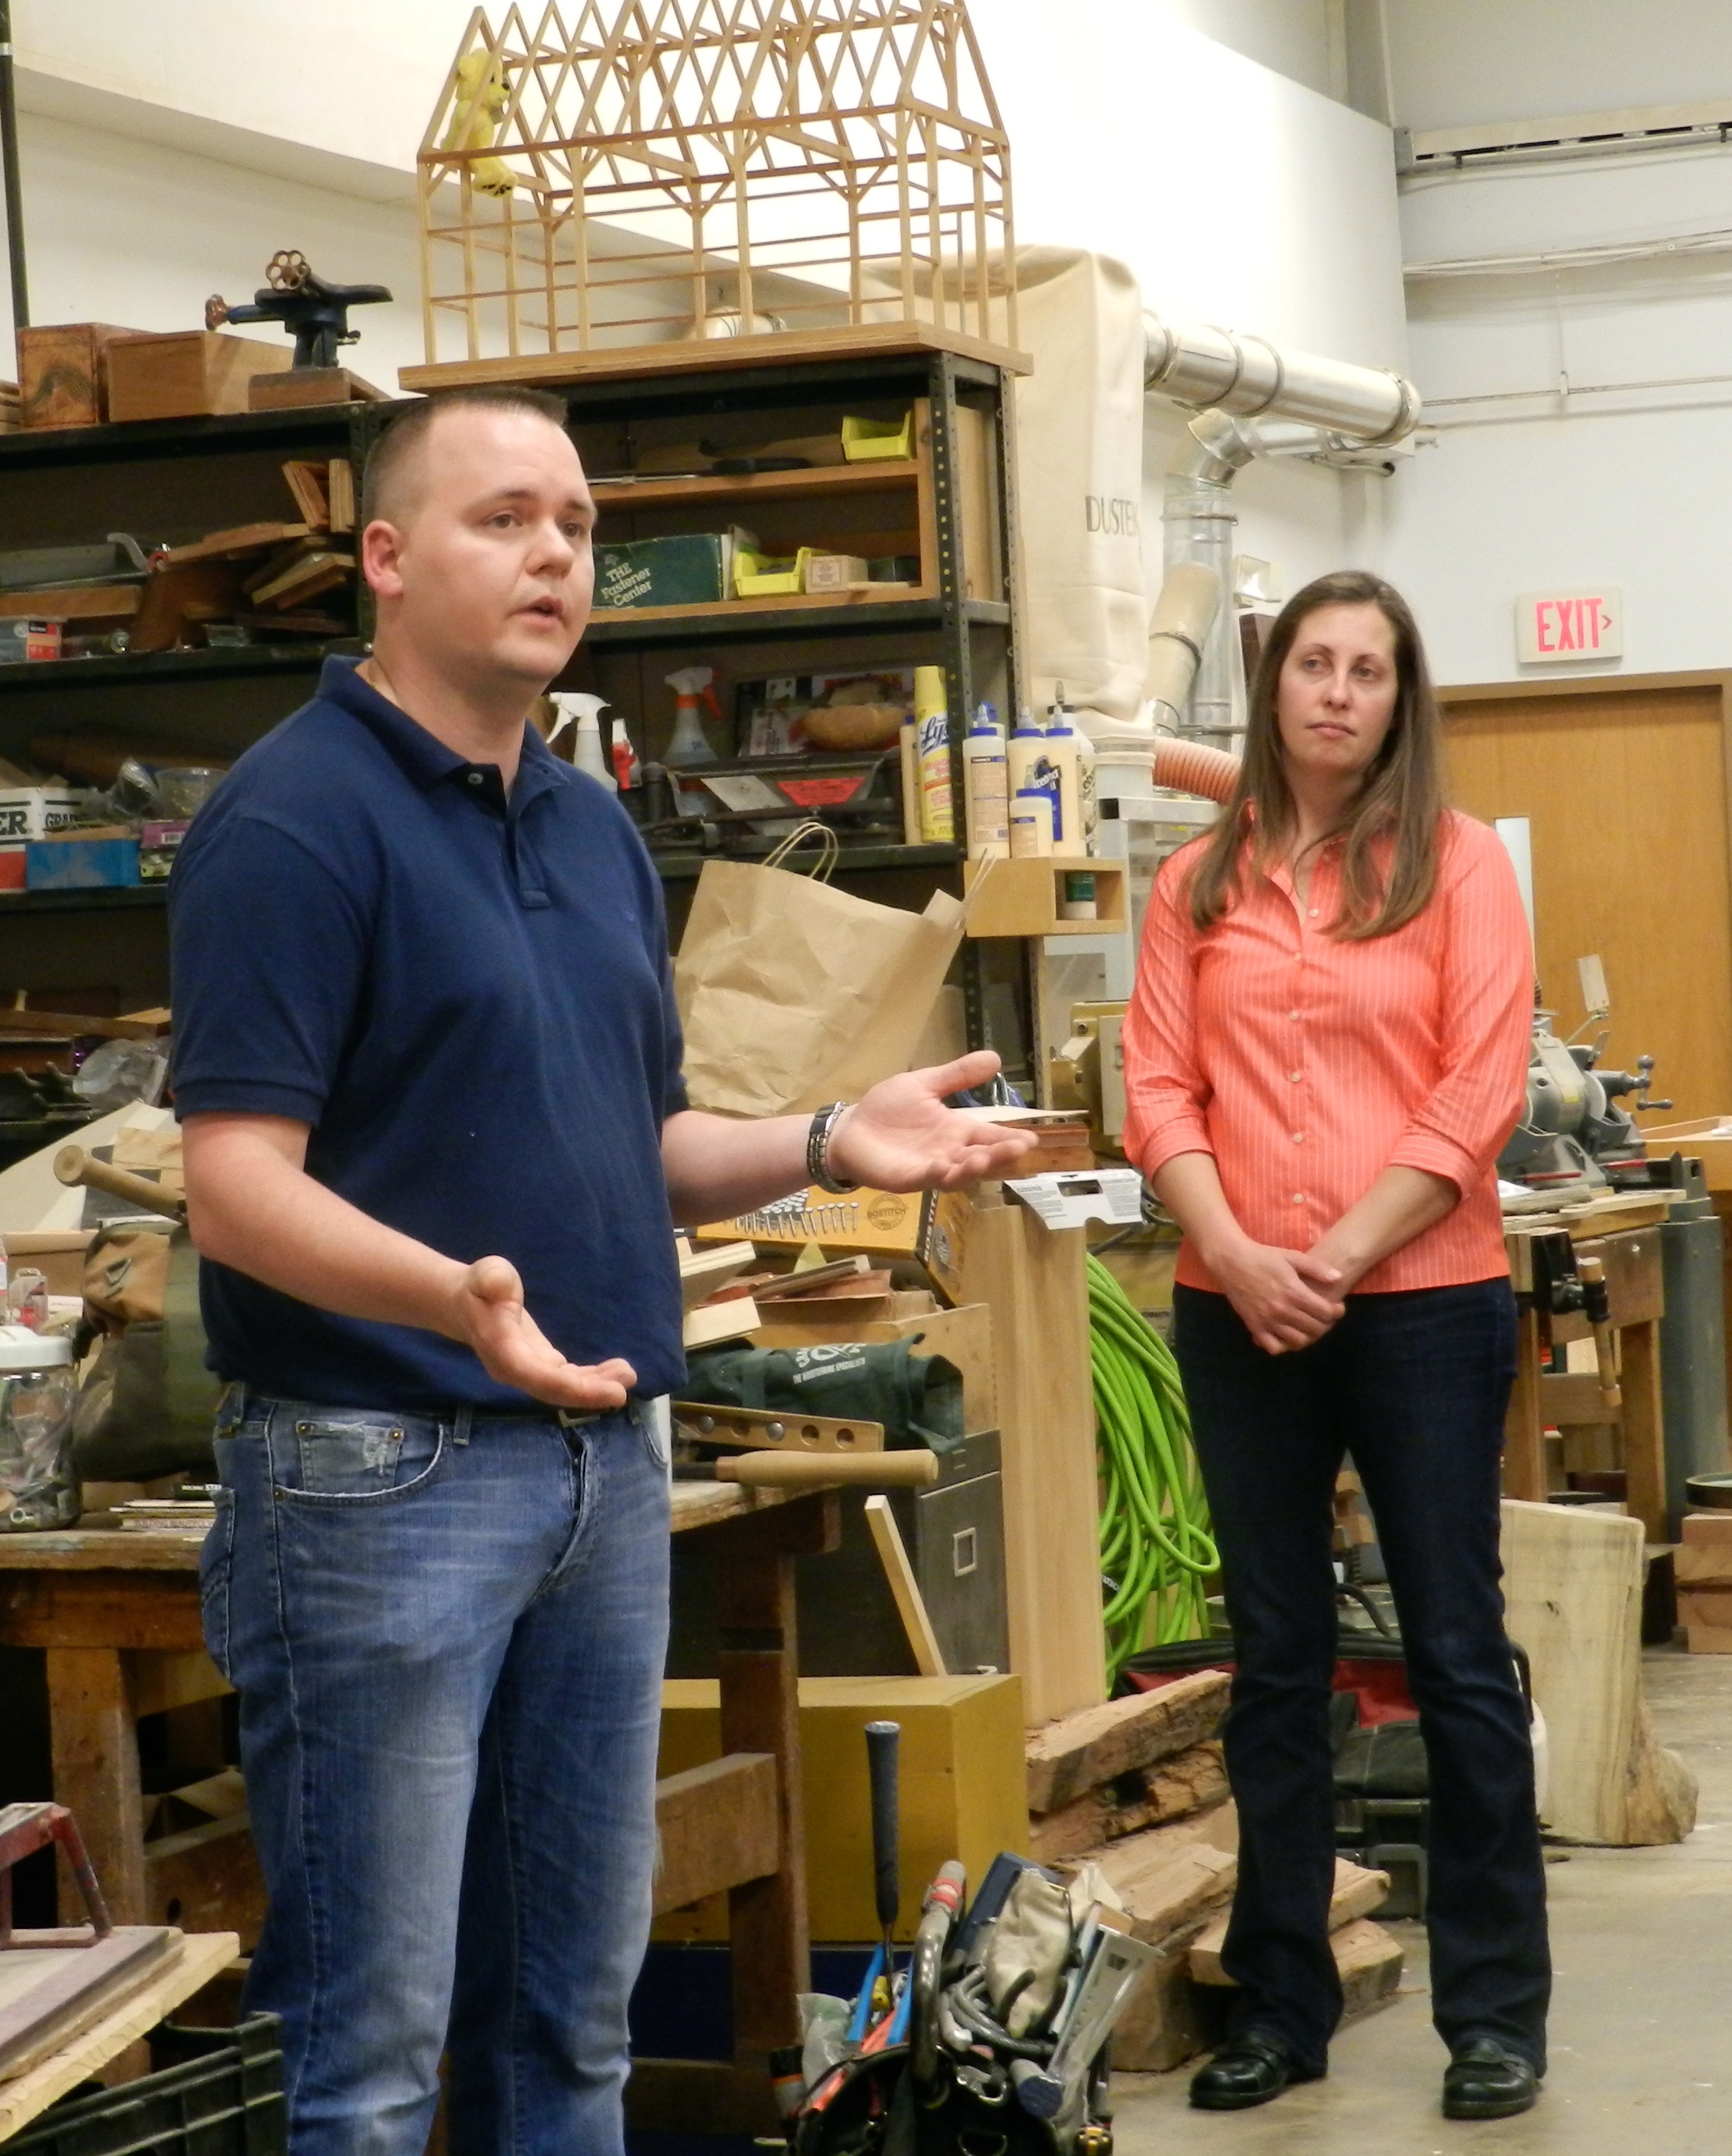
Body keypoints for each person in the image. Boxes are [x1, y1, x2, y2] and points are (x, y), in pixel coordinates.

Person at [168, 382, 1034, 2156]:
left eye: (573, 524)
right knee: (373, 2057)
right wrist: (456, 1302)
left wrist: (824, 1140)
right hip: (378, 1475)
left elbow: (636, 1144)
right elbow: (236, 1193)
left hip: (603, 1471)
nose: (552, 554)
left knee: (574, 2024)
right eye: (502, 519)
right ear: (386, 558)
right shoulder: (291, 822)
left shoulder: (582, 824)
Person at [1120, 569, 1547, 2123]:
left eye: (1369, 671)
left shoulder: (1456, 867)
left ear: (1398, 699)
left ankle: (1493, 2018)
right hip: (1235, 1303)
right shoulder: (1196, 882)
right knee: (1275, 1658)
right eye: (1315, 663)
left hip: (1421, 1302)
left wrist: (1335, 1258)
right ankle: (1279, 2004)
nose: (1338, 693)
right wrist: (1238, 1256)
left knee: (1451, 1651)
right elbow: (1155, 1090)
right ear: (1274, 684)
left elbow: (1477, 1091)